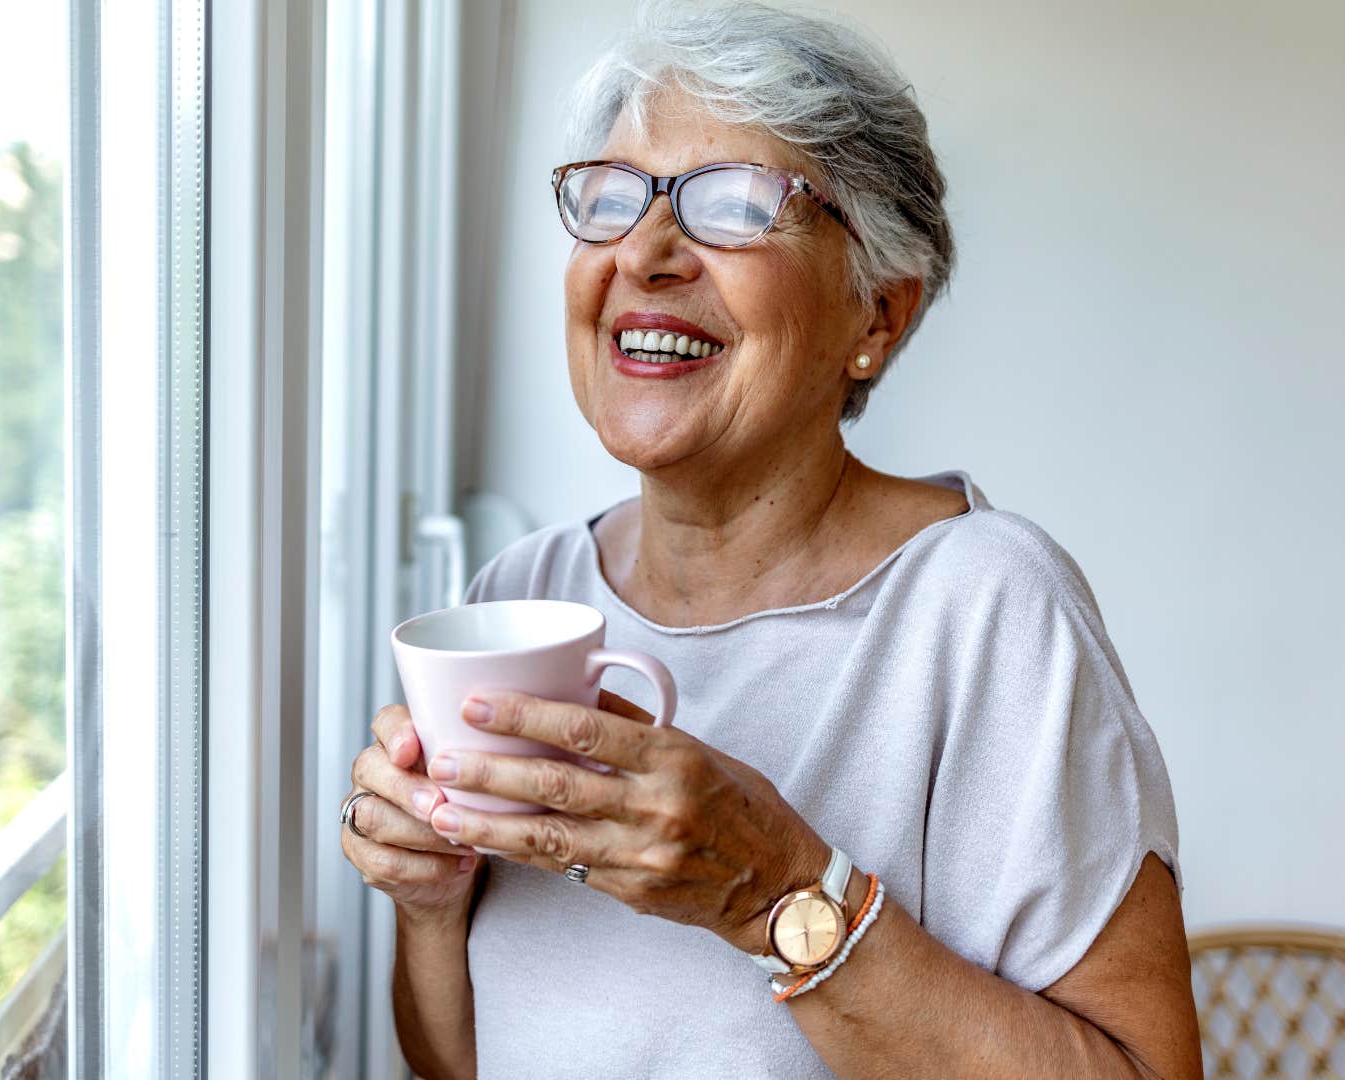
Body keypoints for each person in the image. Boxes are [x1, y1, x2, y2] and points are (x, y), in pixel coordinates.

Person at [339, 3, 1199, 1077]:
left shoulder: (987, 608)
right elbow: (456, 1063)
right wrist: (429, 903)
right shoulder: (525, 592)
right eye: (610, 199)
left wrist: (779, 892)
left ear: (874, 318)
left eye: (736, 207)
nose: (645, 254)